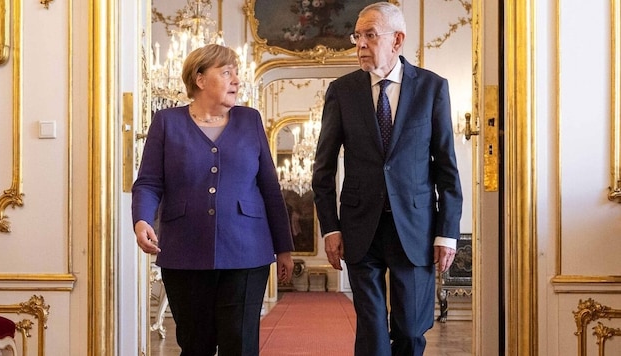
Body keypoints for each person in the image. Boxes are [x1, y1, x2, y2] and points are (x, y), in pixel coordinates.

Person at [311, 2, 463, 355]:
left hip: (415, 228)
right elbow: (323, 169)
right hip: (360, 228)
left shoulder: (432, 88)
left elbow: (446, 168)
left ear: (397, 40)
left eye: (369, 35)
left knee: (410, 331)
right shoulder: (342, 91)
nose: (360, 44)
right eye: (357, 36)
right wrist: (330, 228)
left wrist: (447, 232)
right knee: (373, 333)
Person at [132, 44, 295, 356]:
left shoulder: (250, 120)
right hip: (185, 250)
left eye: (236, 72)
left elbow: (270, 188)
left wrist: (283, 247)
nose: (236, 80)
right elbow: (150, 181)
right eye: (226, 72)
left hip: (247, 250)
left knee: (241, 343)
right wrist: (141, 220)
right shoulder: (167, 122)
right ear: (200, 79)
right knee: (195, 344)